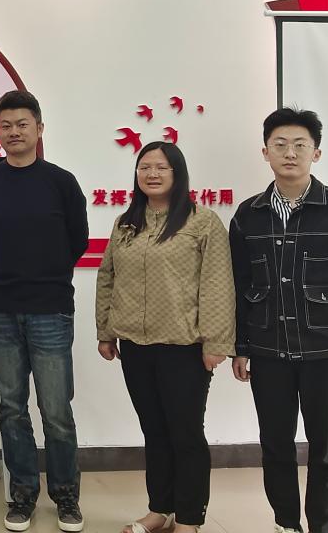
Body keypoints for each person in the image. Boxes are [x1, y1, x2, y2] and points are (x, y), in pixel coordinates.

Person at [95, 141, 235, 533]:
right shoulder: (126, 223)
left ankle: (189, 517)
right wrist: (106, 331)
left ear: (178, 173)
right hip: (135, 347)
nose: (152, 174)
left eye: (161, 167)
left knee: (185, 433)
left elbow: (217, 284)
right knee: (154, 431)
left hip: (184, 347)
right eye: (145, 167)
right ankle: (160, 509)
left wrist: (216, 342)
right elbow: (107, 276)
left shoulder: (202, 222)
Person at [231, 108, 328, 533]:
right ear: (265, 152)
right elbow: (240, 285)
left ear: (316, 153)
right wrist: (241, 347)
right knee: (275, 445)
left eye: (300, 145)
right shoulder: (247, 215)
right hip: (269, 351)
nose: (290, 153)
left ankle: (322, 526)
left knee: (327, 449)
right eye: (280, 144)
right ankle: (286, 523)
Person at [0, 90, 88, 533]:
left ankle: (66, 496)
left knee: (56, 411)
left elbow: (77, 240)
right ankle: (22, 495)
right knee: (12, 409)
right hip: (1, 309)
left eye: (22, 124)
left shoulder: (61, 182)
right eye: (6, 125)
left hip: (50, 310)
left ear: (39, 128)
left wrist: (44, 275)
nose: (14, 132)